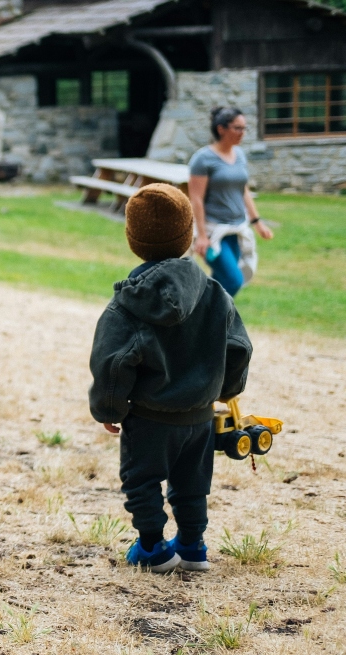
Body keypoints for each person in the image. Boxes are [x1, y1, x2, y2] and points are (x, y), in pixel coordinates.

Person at [89, 184, 251, 574]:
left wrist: (109, 407)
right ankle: (193, 546)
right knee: (193, 484)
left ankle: (152, 548)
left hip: (149, 417)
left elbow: (112, 362)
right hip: (199, 416)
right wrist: (225, 391)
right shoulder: (215, 293)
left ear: (132, 239)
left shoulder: (128, 304)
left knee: (142, 481)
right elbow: (238, 347)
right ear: (188, 234)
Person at [187, 106, 275, 297]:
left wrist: (257, 222)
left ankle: (206, 321)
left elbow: (243, 190)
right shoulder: (203, 159)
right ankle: (211, 319)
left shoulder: (239, 155)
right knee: (234, 280)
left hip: (236, 229)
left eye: (244, 128)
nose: (242, 133)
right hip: (213, 231)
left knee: (221, 281)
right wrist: (201, 235)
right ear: (221, 129)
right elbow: (196, 199)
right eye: (238, 128)